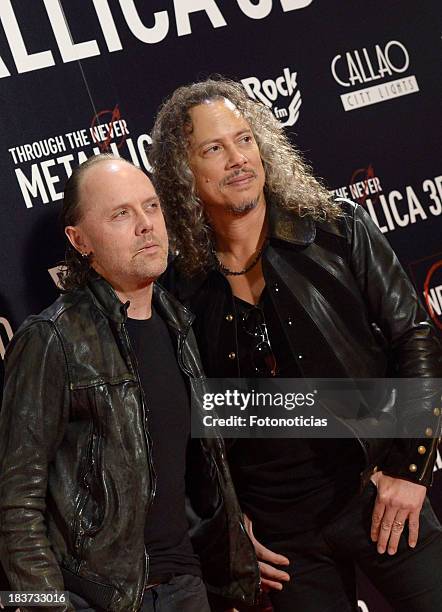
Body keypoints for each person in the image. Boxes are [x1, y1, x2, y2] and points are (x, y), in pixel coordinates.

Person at [150, 78, 442, 611]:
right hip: (284, 546)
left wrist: (410, 468)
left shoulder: (336, 228)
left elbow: (415, 337)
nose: (238, 159)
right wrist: (228, 528)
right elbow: (185, 426)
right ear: (182, 173)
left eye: (244, 139)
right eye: (214, 149)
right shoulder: (177, 288)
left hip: (378, 496)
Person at [0, 154, 260, 612]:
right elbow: (16, 500)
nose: (146, 225)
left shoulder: (180, 322)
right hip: (95, 596)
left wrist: (233, 547)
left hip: (186, 587)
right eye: (121, 214)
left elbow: (207, 471)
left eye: (152, 207)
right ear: (79, 241)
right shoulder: (52, 339)